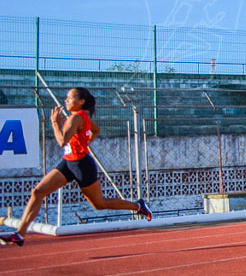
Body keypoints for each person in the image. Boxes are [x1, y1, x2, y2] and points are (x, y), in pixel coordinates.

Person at [1, 88, 151, 247]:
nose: (66, 100)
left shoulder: (76, 119)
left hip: (82, 165)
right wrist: (83, 144)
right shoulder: (80, 117)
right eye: (66, 97)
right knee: (37, 192)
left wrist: (54, 123)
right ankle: (20, 234)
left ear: (81, 102)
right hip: (68, 162)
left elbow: (61, 141)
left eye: (70, 98)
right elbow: (95, 130)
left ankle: (138, 206)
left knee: (99, 204)